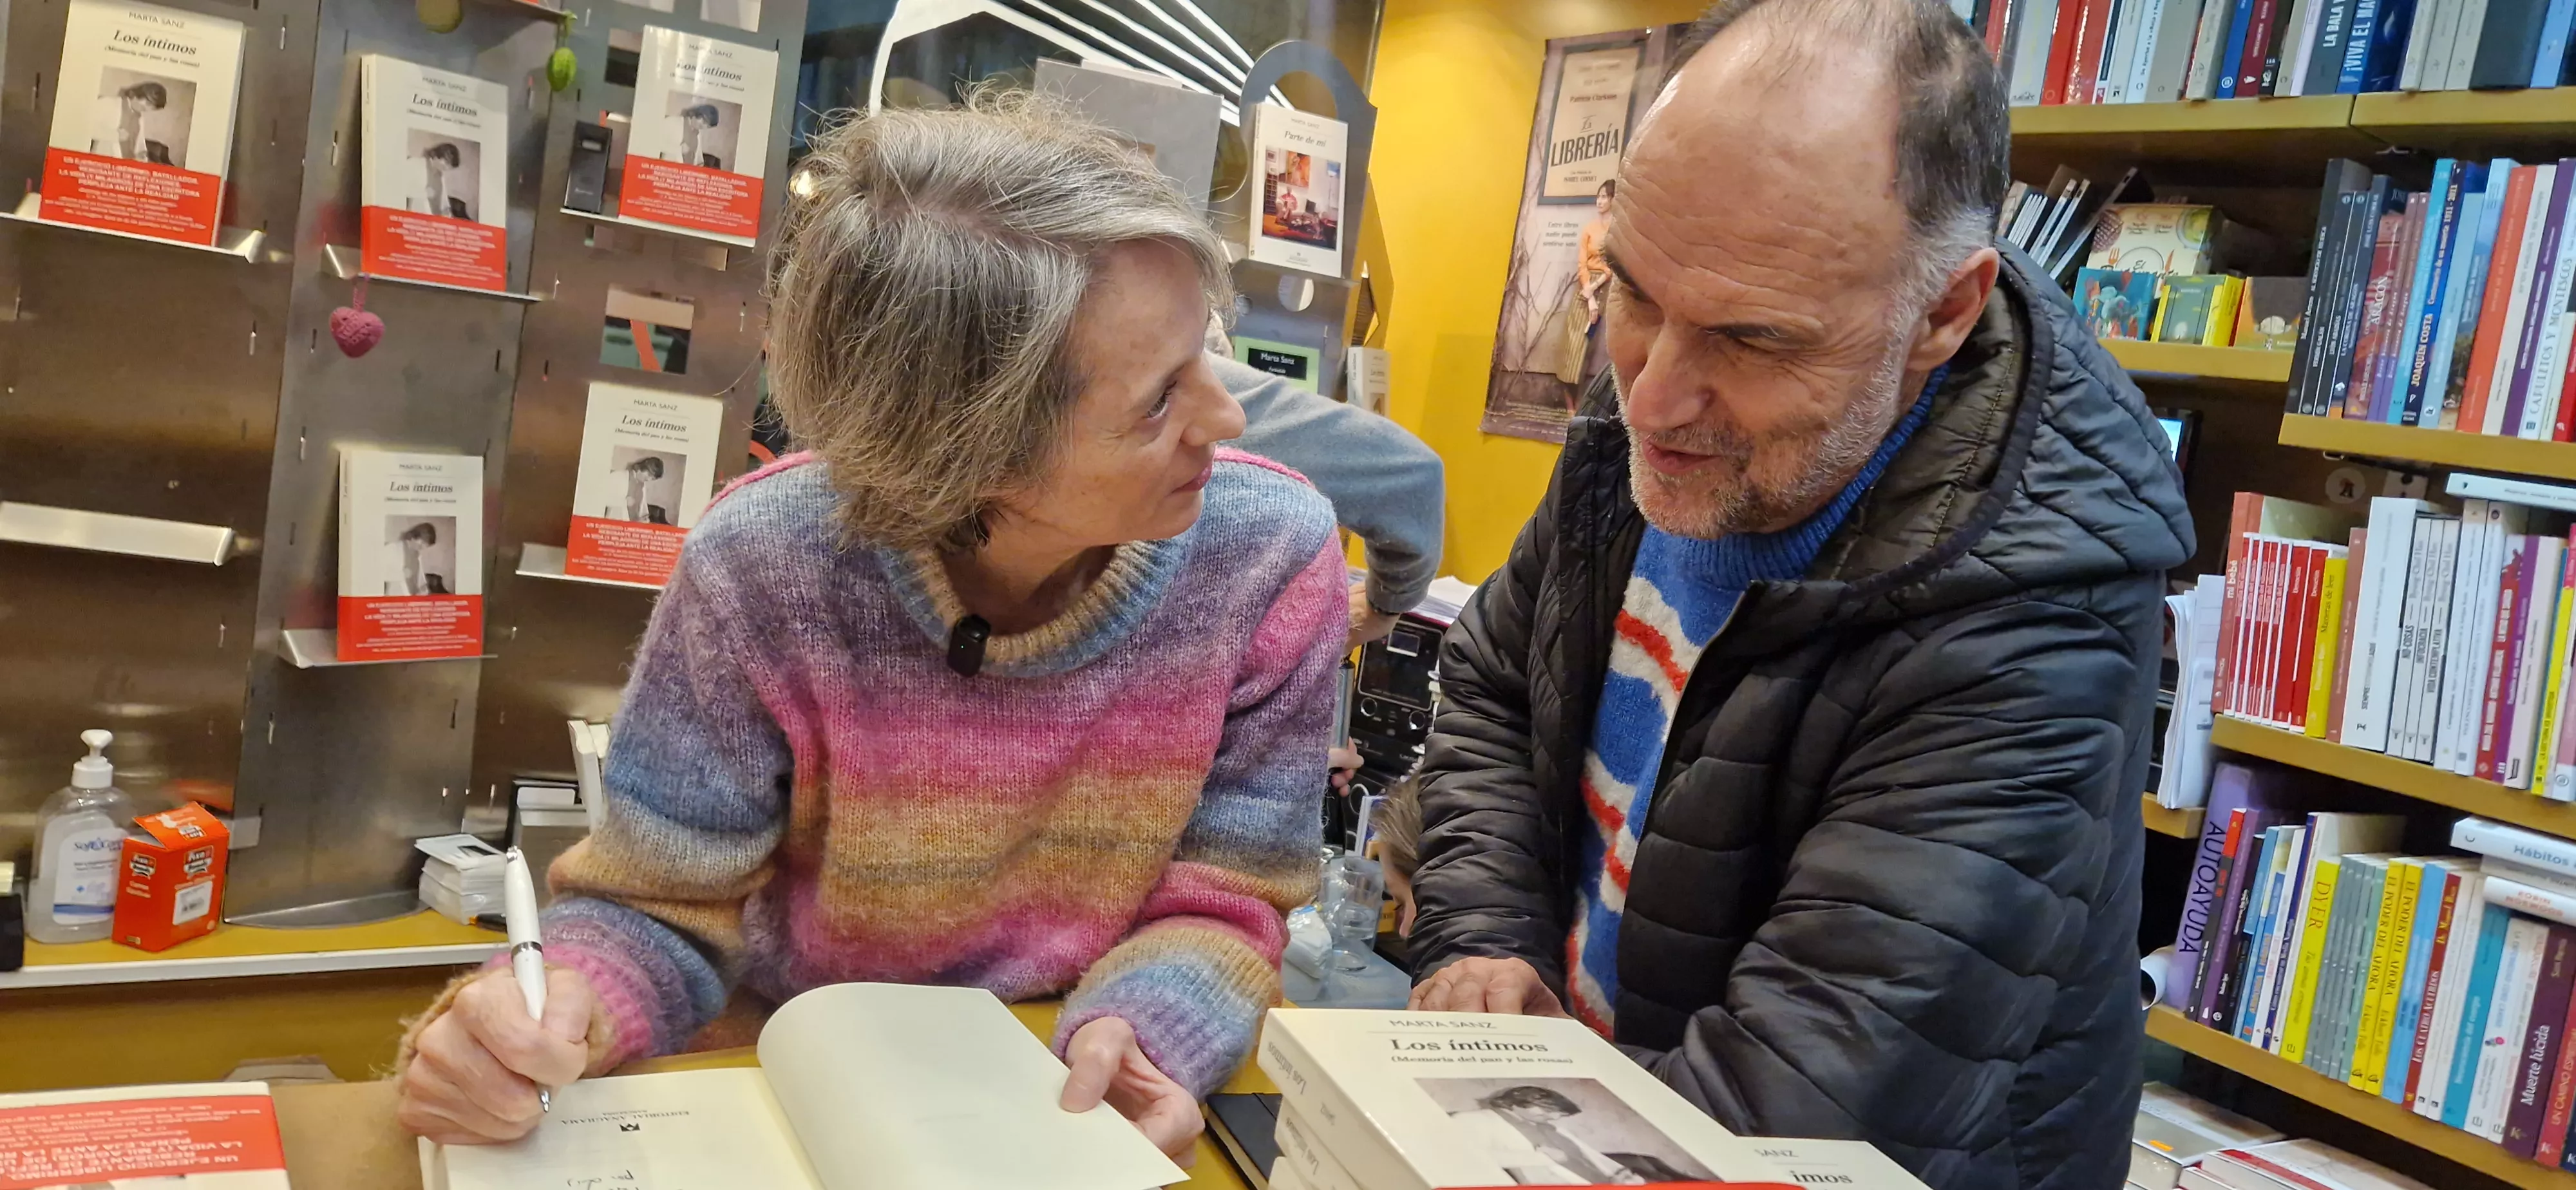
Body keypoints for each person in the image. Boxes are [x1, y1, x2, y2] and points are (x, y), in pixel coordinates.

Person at [391, 90, 1347, 1162]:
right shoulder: (769, 563)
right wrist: (557, 1005)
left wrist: (1150, 1031)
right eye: (1160, 401)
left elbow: (1230, 896)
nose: (1228, 417)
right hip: (796, 1067)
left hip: (1067, 1076)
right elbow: (658, 904)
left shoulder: (1269, 556)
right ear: (971, 449)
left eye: (1206, 353)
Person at [1404, 1, 2192, 1187]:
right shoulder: (1672, 392)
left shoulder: (2038, 628)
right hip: (1589, 1106)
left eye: (1755, 340)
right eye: (1632, 293)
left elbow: (1796, 1106)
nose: (1650, 397)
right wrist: (1486, 939)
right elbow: (1494, 679)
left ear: (1943, 312)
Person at [1217, 352, 1444, 652]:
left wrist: (1378, 609)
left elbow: (1413, 478)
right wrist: (1383, 607)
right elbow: (1413, 480)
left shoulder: (1205, 387)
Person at [1443, 1085, 1623, 1185]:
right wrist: (1542, 1157)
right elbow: (1465, 1158)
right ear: (1514, 1103)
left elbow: (1586, 1156)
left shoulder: (1547, 1126)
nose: (1554, 1117)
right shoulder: (1473, 1119)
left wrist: (1619, 1175)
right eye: (1547, 1110)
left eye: (1560, 1114)